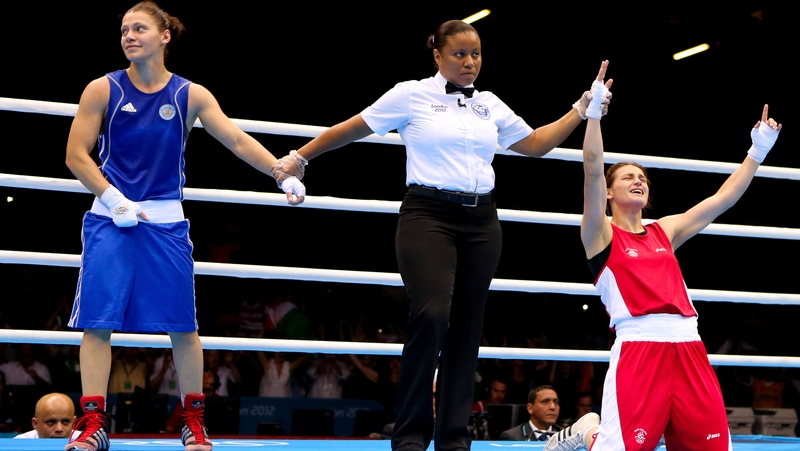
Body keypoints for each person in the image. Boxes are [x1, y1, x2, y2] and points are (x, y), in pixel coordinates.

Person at [270, 19, 611, 451]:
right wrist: (299, 157)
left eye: (477, 54)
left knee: (468, 329)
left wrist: (581, 108)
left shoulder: (490, 103)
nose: (470, 63)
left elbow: (537, 144)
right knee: (430, 316)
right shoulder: (410, 94)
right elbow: (353, 127)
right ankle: (410, 435)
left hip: (482, 222)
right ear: (437, 55)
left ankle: (454, 437)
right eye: (460, 54)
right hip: (427, 216)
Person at [63, 2, 306, 451]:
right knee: (97, 322)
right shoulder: (101, 89)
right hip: (109, 216)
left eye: (139, 28)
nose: (129, 36)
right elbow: (76, 154)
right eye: (123, 30)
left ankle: (193, 422)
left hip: (165, 220)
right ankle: (92, 422)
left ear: (165, 36)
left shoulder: (190, 95)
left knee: (182, 324)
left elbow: (234, 138)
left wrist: (280, 171)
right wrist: (113, 198)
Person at [545, 60, 782, 451]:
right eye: (627, 177)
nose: (637, 180)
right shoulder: (598, 234)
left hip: (690, 348)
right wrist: (593, 115)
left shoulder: (665, 231)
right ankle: (589, 434)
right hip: (639, 351)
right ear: (608, 193)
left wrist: (757, 151)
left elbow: (721, 200)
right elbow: (590, 169)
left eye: (642, 178)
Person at [14, 392, 80, 439]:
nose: (59, 429)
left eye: (65, 421)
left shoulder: (86, 444)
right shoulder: (18, 445)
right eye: (51, 422)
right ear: (35, 424)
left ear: (74, 423)